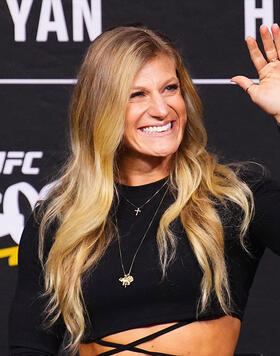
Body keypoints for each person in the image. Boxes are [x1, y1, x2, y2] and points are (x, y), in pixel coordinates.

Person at [8, 24, 280, 356]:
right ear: (100, 108)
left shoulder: (235, 197)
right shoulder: (57, 221)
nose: (162, 109)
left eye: (170, 88)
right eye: (137, 94)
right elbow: (30, 346)